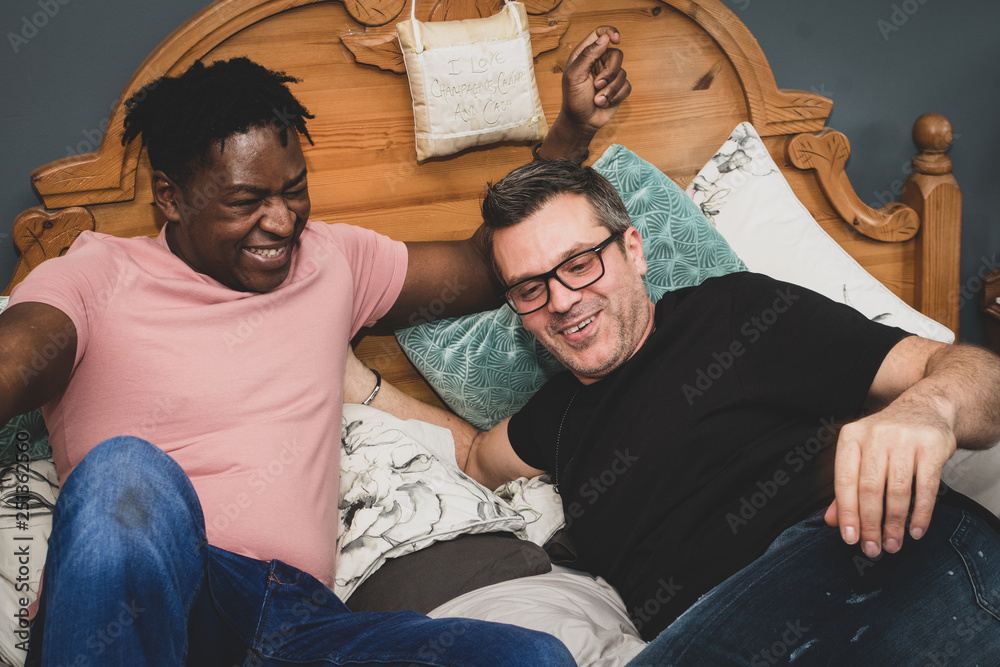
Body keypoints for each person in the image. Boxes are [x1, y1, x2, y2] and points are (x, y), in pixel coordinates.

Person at [0, 27, 631, 665]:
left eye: (293, 189)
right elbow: (14, 359)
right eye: (246, 201)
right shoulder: (95, 273)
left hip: (296, 624)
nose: (280, 221)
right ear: (170, 196)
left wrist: (571, 133)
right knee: (123, 475)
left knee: (531, 658)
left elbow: (483, 263)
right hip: (151, 608)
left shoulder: (332, 260)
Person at [358, 159, 1000, 664]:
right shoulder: (553, 417)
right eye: (531, 288)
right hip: (701, 631)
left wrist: (928, 410)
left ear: (633, 251)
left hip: (861, 555)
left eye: (580, 264)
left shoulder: (737, 314)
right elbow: (470, 455)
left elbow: (970, 377)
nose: (561, 300)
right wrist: (355, 383)